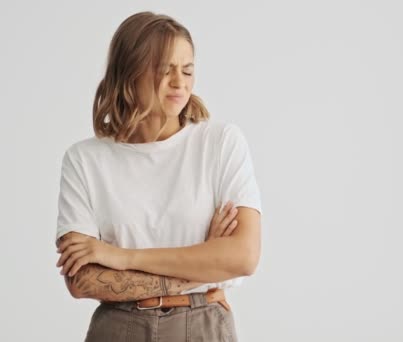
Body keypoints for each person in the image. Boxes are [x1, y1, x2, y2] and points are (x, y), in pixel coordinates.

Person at [54, 11, 262, 342]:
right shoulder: (84, 160)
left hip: (202, 325)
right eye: (164, 70)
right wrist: (203, 263)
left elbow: (243, 257)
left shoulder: (220, 143)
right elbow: (83, 281)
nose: (179, 82)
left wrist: (120, 257)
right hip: (119, 328)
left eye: (188, 70)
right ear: (128, 72)